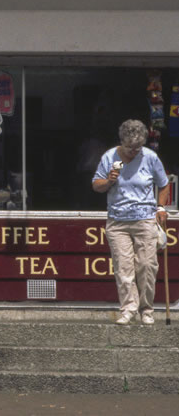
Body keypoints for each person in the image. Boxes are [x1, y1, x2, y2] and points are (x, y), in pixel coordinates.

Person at [92, 118, 170, 325]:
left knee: (146, 265)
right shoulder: (109, 157)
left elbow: (164, 184)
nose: (134, 152)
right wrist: (109, 180)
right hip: (118, 221)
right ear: (122, 142)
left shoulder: (150, 157)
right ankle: (128, 309)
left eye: (138, 148)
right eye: (129, 148)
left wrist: (161, 207)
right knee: (123, 267)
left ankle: (147, 309)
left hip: (144, 219)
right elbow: (96, 185)